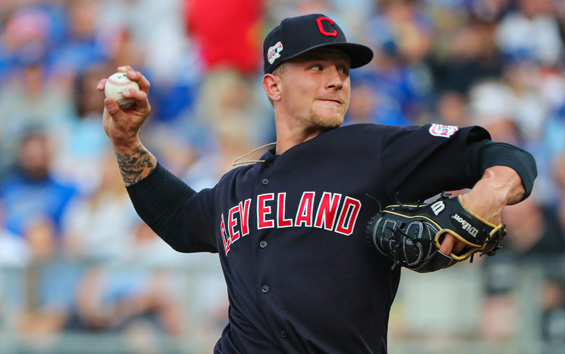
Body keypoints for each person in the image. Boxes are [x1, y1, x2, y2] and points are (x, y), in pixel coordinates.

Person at [97, 13, 536, 354]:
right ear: (273, 85)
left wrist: (488, 194)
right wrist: (125, 141)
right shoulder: (237, 187)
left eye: (343, 70)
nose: (336, 80)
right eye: (316, 66)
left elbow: (498, 154)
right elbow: (177, 220)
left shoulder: (373, 150)